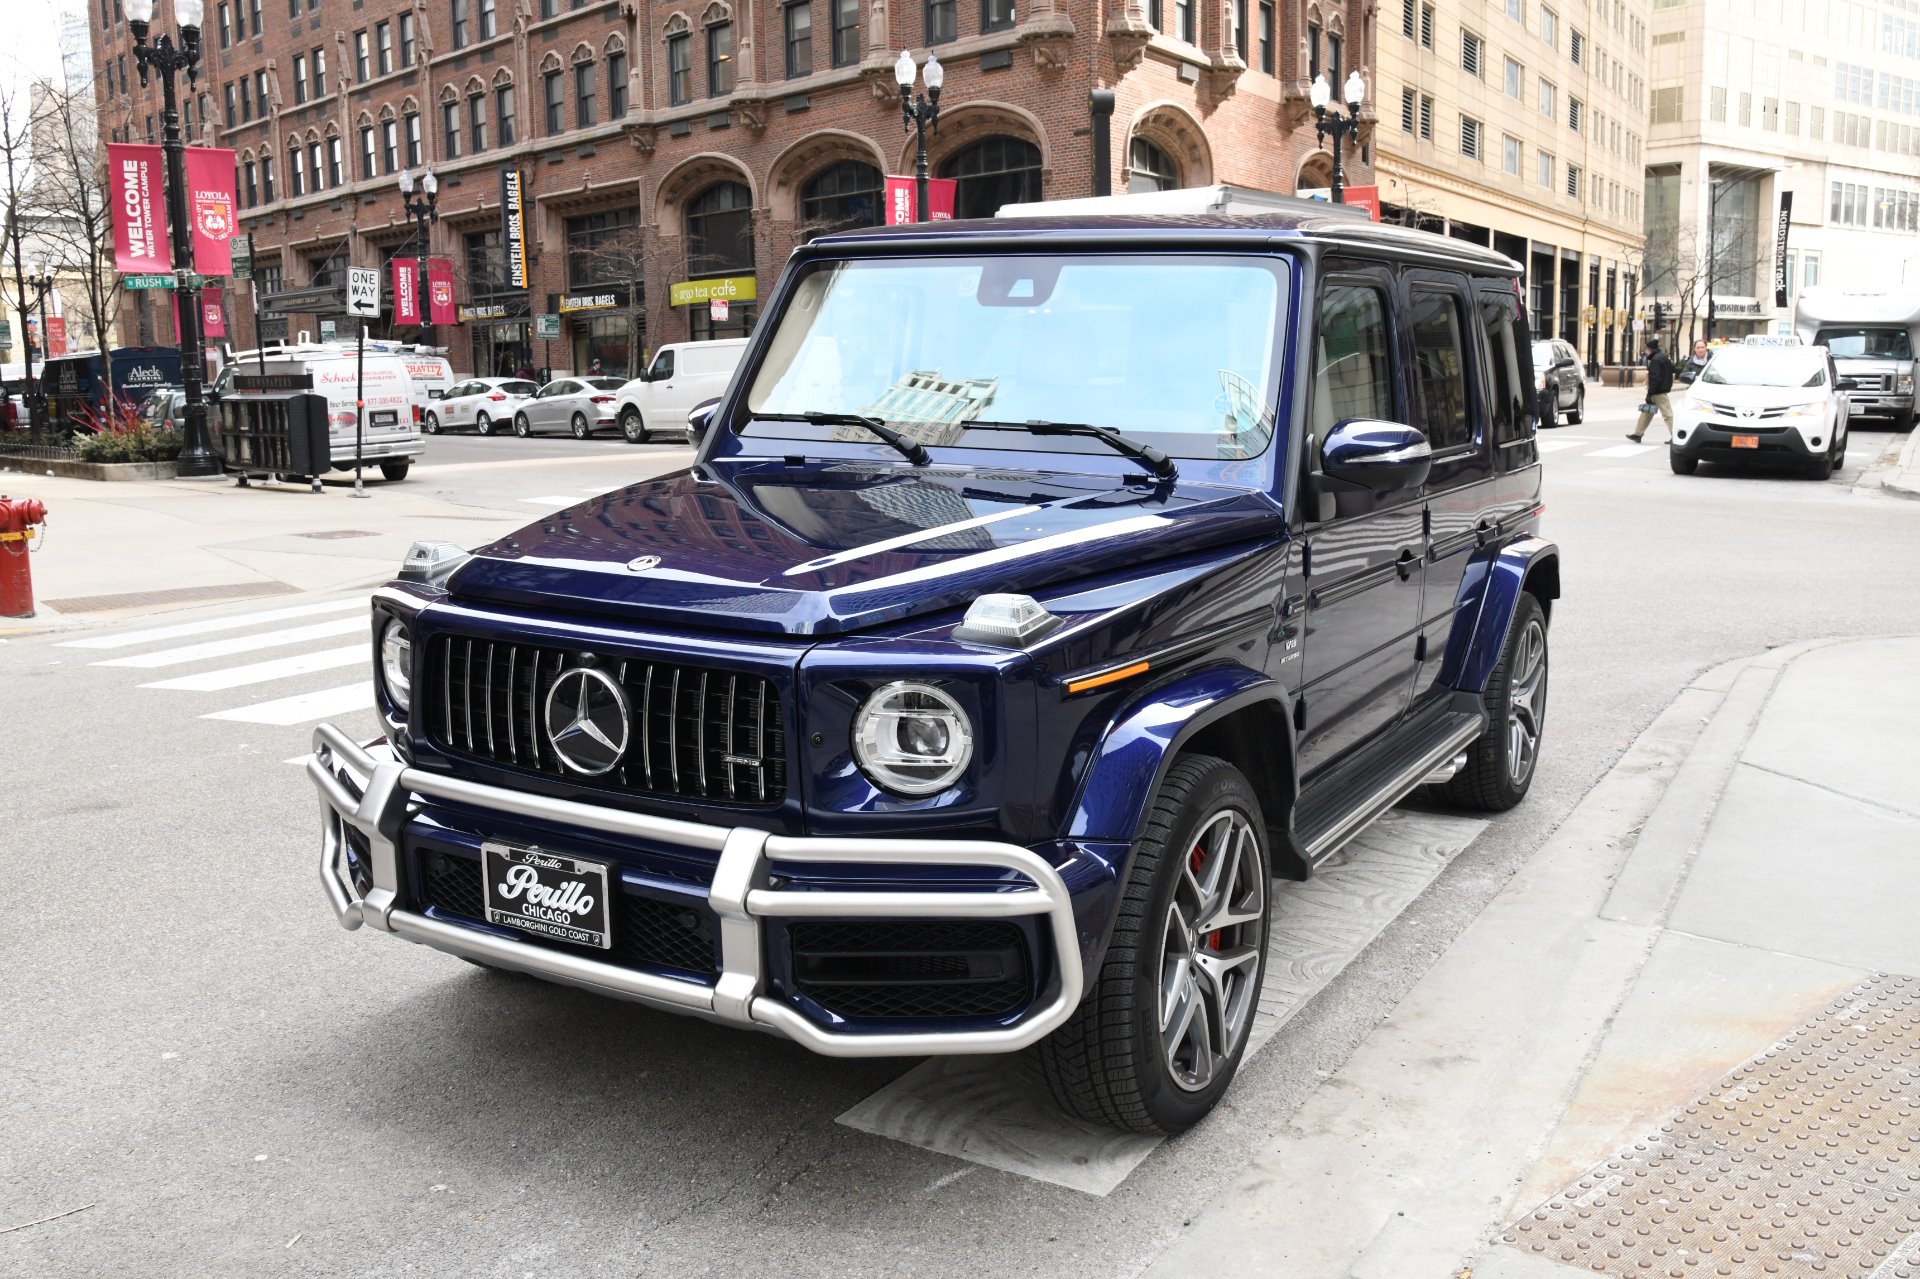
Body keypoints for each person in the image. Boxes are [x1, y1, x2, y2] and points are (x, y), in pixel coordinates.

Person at [1629, 338, 1675, 443]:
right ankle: (1638, 434)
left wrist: (1650, 393)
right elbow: (1673, 370)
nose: (1645, 352)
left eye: (1646, 349)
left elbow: (1655, 378)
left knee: (1667, 414)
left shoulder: (1655, 360)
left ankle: (1675, 436)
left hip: (1658, 392)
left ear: (1650, 349)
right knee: (1647, 411)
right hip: (1661, 390)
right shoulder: (1664, 357)